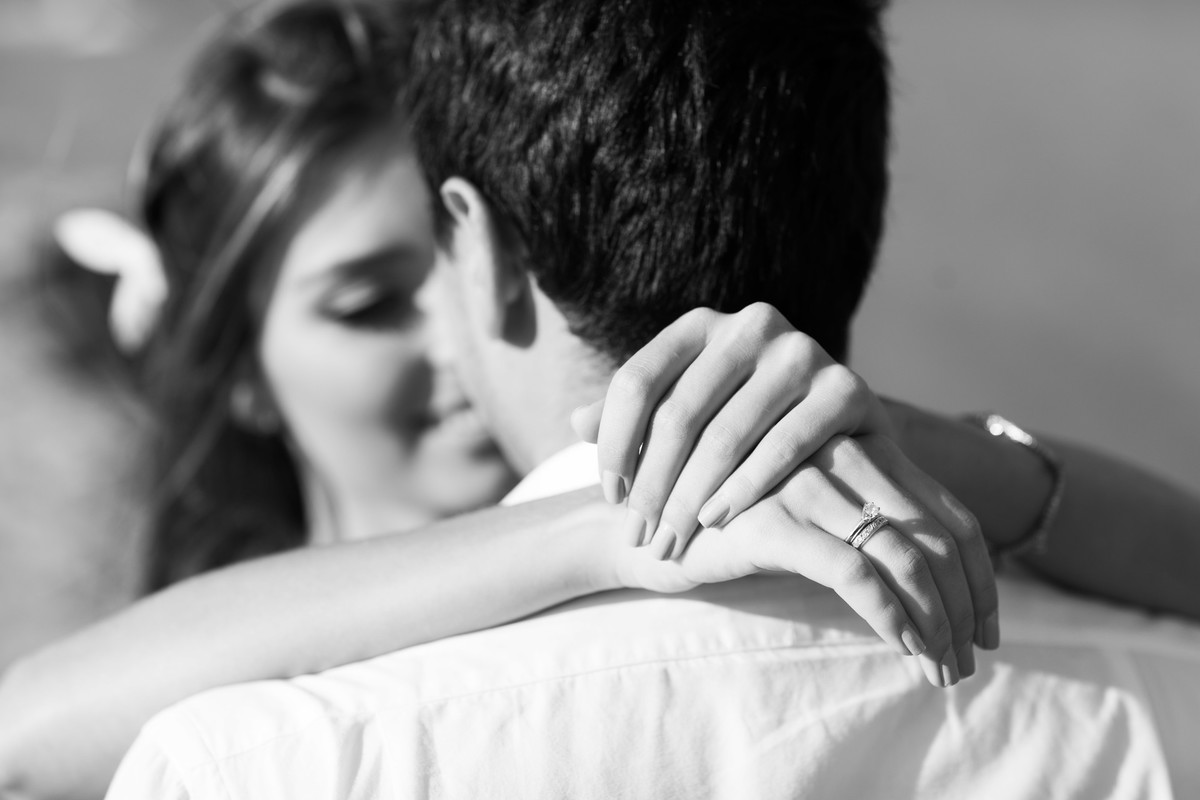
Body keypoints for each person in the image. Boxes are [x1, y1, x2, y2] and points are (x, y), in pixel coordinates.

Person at [97, 0, 1200, 796]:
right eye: (366, 301)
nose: (440, 339)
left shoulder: (262, 759)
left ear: (478, 251)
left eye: (426, 263)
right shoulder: (1153, 696)